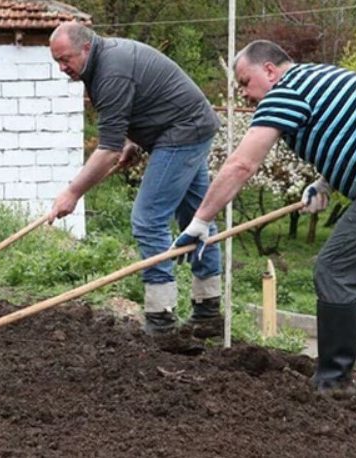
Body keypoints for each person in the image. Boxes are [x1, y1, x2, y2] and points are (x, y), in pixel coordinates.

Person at [174, 40, 356, 392]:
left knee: (335, 270)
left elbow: (242, 164)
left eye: (245, 82)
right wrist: (323, 184)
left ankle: (333, 381)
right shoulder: (317, 79)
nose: (244, 95)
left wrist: (200, 222)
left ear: (270, 71)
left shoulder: (284, 93)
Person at [47, 22, 224, 342]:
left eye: (65, 59)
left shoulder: (110, 72)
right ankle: (208, 312)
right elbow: (142, 104)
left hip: (182, 132)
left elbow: (106, 151)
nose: (62, 68)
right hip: (189, 125)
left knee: (148, 219)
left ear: (85, 49)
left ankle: (161, 320)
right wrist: (133, 141)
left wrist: (72, 193)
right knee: (198, 218)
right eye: (57, 61)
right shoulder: (104, 60)